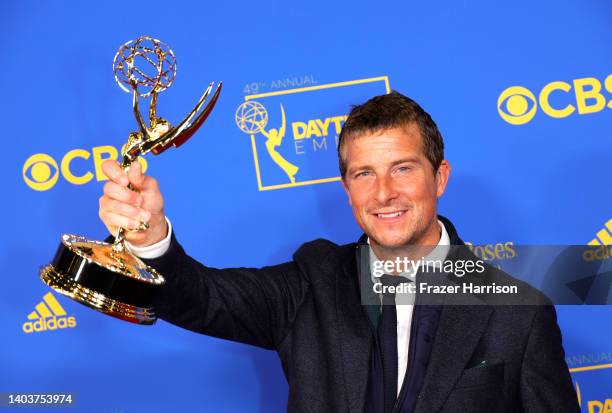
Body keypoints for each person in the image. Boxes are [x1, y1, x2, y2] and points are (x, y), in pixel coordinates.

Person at [99, 91, 580, 412]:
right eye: (364, 174)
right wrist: (149, 237)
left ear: (440, 177)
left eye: (403, 169)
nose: (384, 193)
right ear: (346, 188)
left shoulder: (518, 314)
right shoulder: (311, 285)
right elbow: (199, 297)